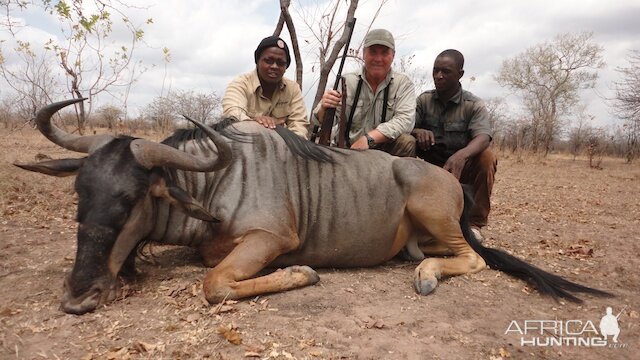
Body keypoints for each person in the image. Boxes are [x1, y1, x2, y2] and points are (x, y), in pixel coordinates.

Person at [412, 49, 497, 241]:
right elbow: (406, 126)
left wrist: (461, 156)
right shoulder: (423, 100)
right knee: (405, 142)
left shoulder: (473, 104)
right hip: (429, 169)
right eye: (435, 70)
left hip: (460, 168)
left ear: (460, 74)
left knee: (487, 157)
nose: (438, 76)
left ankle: (474, 224)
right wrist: (417, 132)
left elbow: (483, 136)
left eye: (446, 71)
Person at [313, 29, 416, 156]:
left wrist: (368, 139)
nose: (378, 59)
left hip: (384, 156)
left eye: (384, 53)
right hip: (348, 151)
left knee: (407, 142)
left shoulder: (403, 84)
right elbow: (320, 121)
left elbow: (405, 121)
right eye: (372, 52)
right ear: (363, 54)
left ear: (393, 55)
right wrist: (324, 107)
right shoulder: (346, 81)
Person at [222, 35, 309, 139]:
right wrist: (257, 125)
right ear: (257, 61)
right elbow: (233, 115)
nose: (274, 66)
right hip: (245, 145)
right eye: (268, 61)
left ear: (286, 67)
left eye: (280, 63)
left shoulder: (293, 89)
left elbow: (299, 126)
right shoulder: (240, 84)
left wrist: (292, 145)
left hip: (282, 149)